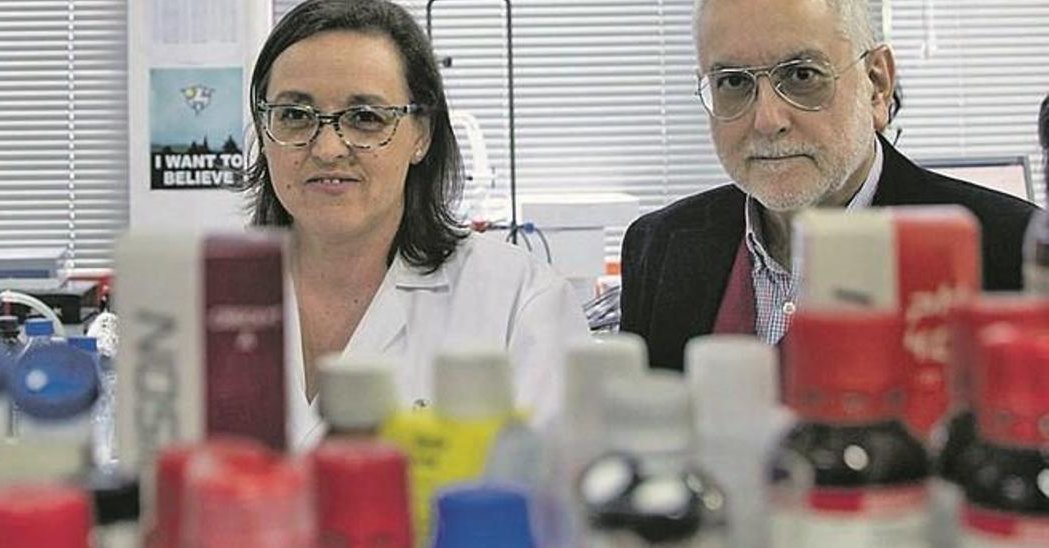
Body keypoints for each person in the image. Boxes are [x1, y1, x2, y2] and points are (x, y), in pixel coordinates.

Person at [620, 0, 1038, 372]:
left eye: (802, 75)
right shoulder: (659, 246)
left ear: (877, 85)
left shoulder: (1011, 251)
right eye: (733, 82)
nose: (767, 120)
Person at [244, 0, 588, 447]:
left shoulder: (520, 303)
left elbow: (561, 499)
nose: (328, 148)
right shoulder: (204, 297)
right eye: (294, 115)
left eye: (366, 118)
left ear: (421, 134)